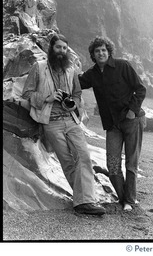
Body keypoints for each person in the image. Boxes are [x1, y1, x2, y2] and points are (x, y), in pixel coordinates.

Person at [22, 33, 106, 215]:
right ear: (51, 48)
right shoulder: (39, 67)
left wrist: (73, 104)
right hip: (50, 122)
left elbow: (77, 94)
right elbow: (27, 94)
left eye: (65, 48)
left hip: (71, 120)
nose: (62, 51)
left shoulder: (71, 70)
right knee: (67, 162)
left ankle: (85, 200)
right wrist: (48, 98)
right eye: (58, 47)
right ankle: (83, 202)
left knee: (83, 156)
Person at [78, 36, 146, 211]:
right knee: (113, 164)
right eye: (97, 51)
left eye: (103, 50)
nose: (101, 53)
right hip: (112, 125)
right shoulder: (92, 74)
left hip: (132, 120)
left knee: (131, 162)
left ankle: (129, 201)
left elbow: (140, 88)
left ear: (109, 52)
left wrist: (132, 111)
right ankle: (124, 199)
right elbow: (75, 83)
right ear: (93, 54)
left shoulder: (123, 66)